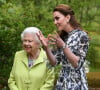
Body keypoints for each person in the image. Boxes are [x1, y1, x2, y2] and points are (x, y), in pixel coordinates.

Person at [37, 4, 89, 90]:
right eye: (54, 19)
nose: (55, 22)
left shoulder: (82, 35)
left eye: (57, 18)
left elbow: (77, 64)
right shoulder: (63, 37)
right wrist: (46, 48)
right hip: (62, 82)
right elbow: (54, 63)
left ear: (67, 18)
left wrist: (63, 46)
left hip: (76, 83)